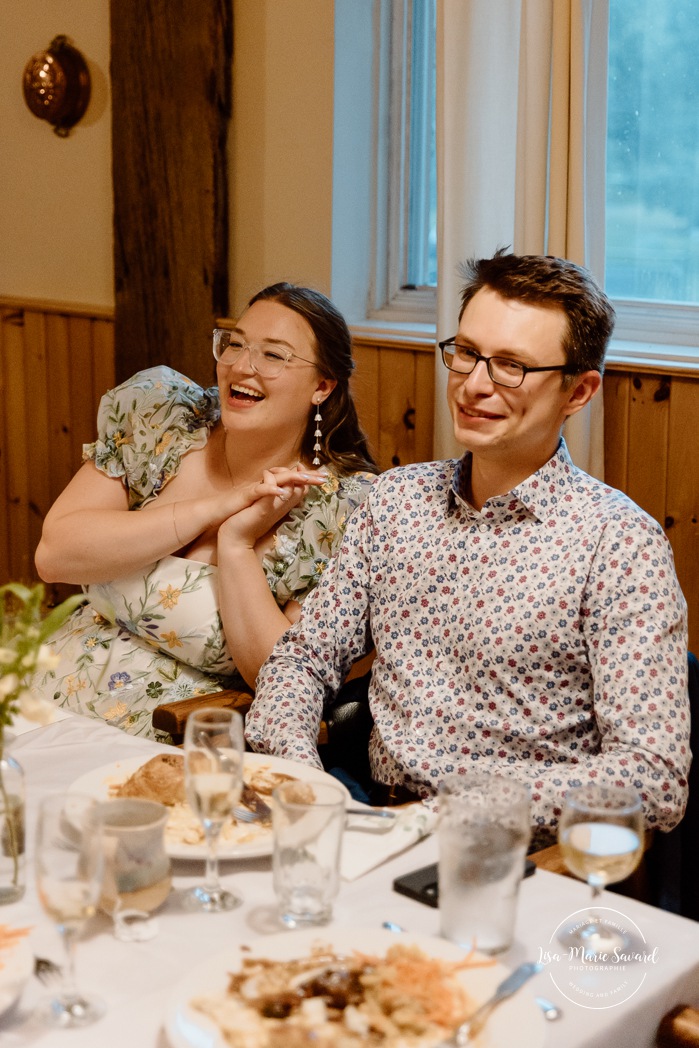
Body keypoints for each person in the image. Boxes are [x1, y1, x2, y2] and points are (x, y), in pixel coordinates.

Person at [245, 252, 690, 846]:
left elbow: (654, 779)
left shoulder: (619, 543)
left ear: (578, 391)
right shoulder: (396, 500)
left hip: (517, 857)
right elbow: (302, 659)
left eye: (511, 367)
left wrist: (462, 808)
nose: (475, 385)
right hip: (368, 821)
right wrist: (303, 781)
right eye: (466, 352)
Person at [32, 283, 377, 739]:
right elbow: (54, 555)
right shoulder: (165, 420)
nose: (240, 366)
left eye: (273, 355)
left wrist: (236, 542)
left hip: (168, 737)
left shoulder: (339, 513)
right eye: (235, 343)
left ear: (322, 385)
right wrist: (211, 508)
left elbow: (277, 679)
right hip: (37, 698)